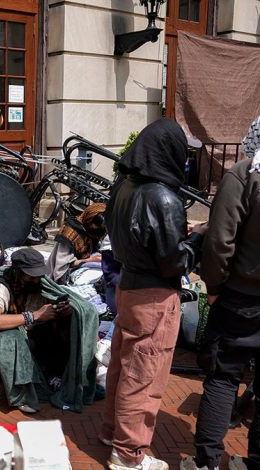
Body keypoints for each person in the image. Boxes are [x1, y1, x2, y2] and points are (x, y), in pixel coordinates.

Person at [100, 118, 208, 470]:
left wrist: (179, 234)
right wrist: (197, 240)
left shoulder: (124, 185)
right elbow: (174, 263)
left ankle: (112, 432)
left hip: (128, 285)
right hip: (154, 295)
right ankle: (129, 454)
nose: (186, 160)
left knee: (123, 363)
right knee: (144, 374)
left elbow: (136, 235)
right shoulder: (164, 197)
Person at [180, 117, 260, 470]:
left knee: (223, 376)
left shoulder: (244, 176)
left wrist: (212, 289)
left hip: (241, 297)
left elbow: (219, 244)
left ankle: (206, 462)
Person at [0, 248, 99, 414]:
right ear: (18, 273)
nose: (36, 279)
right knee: (11, 336)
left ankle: (56, 374)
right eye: (31, 275)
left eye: (38, 274)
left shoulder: (38, 284)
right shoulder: (1, 288)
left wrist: (64, 312)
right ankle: (22, 392)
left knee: (66, 323)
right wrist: (34, 316)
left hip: (33, 337)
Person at [47, 202, 107, 284]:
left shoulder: (94, 231)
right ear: (89, 218)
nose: (95, 228)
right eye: (94, 225)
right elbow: (62, 266)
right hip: (67, 272)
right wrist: (92, 259)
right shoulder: (70, 233)